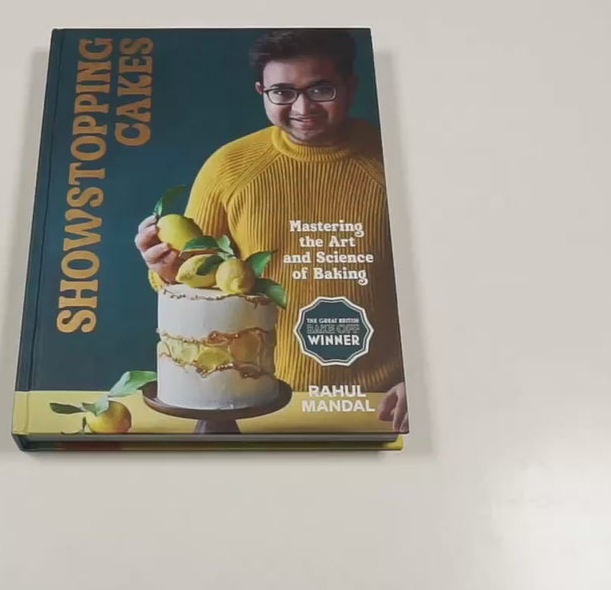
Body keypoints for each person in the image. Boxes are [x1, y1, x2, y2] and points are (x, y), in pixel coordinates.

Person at [133, 29, 409, 431]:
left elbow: (447, 286)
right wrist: (166, 269)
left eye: (321, 89)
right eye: (282, 92)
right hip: (251, 403)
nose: (302, 107)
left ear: (351, 86)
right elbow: (195, 278)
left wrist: (423, 379)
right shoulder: (228, 168)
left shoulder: (398, 163)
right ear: (262, 92)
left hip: (383, 403)